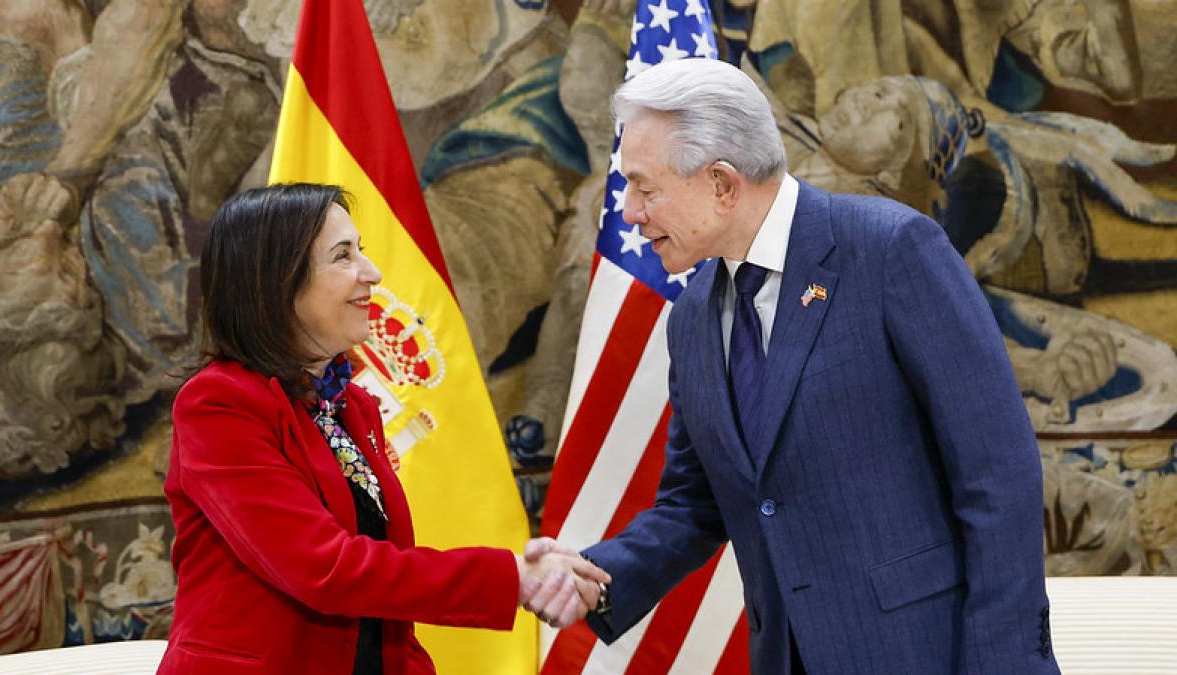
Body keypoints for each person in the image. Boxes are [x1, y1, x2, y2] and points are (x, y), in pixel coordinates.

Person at [527, 58, 1061, 674]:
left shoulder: (889, 251)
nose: (629, 211)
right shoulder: (694, 316)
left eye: (645, 189)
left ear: (722, 184)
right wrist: (596, 578)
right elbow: (695, 505)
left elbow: (998, 474)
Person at [158, 183, 609, 675]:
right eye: (343, 256)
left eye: (362, 251)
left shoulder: (351, 405)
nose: (371, 272)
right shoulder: (217, 405)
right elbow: (324, 569)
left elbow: (384, 605)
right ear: (276, 283)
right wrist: (512, 578)